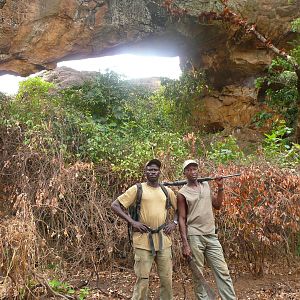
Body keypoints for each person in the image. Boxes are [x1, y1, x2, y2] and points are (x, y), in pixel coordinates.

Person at [111, 159, 177, 300]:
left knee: (167, 279)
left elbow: (181, 208)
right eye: (150, 169)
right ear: (145, 172)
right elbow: (115, 205)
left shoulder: (167, 191)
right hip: (143, 240)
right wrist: (132, 222)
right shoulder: (138, 189)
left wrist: (175, 222)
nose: (152, 172)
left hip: (163, 240)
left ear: (159, 172)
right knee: (142, 279)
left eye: (155, 169)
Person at [177, 159, 236, 300]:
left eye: (195, 169)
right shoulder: (182, 193)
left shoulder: (206, 185)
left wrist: (220, 187)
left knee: (223, 271)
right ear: (185, 173)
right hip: (194, 236)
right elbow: (182, 219)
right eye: (189, 169)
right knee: (198, 275)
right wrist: (185, 244)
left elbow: (217, 205)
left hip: (211, 235)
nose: (193, 172)